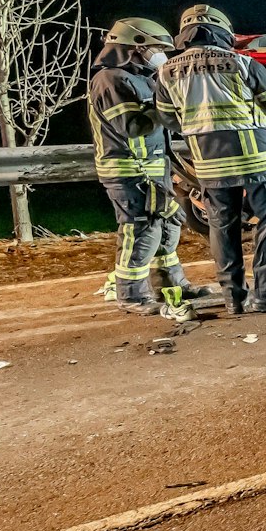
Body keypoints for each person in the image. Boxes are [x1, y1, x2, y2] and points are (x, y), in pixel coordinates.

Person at [155, 4, 266, 313]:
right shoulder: (241, 63)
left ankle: (234, 299)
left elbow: (168, 119)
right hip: (254, 158)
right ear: (222, 33)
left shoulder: (165, 73)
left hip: (209, 164)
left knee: (221, 226)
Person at [89, 18, 208, 315]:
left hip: (153, 169)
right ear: (136, 46)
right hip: (129, 172)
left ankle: (171, 284)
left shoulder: (143, 77)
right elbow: (131, 125)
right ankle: (132, 296)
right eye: (156, 47)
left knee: (167, 224)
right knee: (140, 230)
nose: (160, 54)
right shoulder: (110, 79)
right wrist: (165, 107)